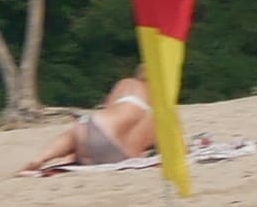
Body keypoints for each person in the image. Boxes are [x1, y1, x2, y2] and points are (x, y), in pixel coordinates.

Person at [21, 74, 156, 174]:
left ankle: (43, 157)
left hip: (98, 129)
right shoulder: (161, 117)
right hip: (122, 156)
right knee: (106, 139)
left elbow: (109, 109)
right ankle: (74, 156)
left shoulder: (130, 84)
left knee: (73, 135)